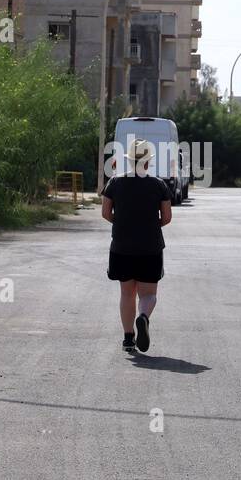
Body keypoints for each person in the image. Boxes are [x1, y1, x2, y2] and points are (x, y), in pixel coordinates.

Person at [101, 139, 172, 353]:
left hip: (122, 247)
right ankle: (143, 317)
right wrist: (149, 225)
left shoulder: (115, 182)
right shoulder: (159, 185)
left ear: (129, 161)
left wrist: (123, 223)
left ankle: (128, 338)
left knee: (126, 293)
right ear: (148, 162)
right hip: (150, 247)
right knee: (148, 294)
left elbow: (105, 213)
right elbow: (167, 218)